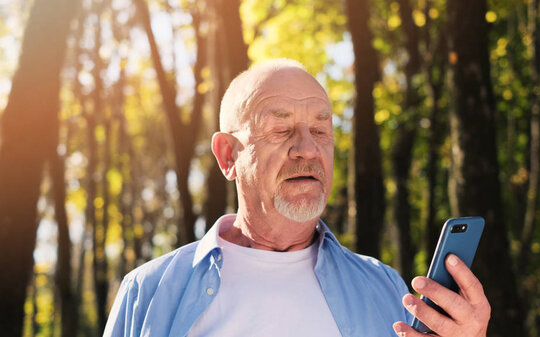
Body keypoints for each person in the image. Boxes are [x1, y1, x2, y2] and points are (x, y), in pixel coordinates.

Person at [103, 59, 491, 337]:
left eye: (321, 131)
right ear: (227, 156)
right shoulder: (147, 293)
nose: (307, 149)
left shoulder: (386, 289)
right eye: (280, 128)